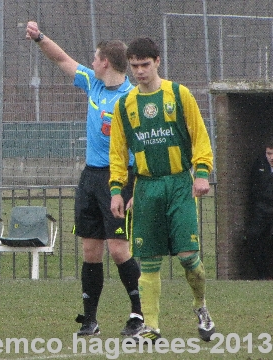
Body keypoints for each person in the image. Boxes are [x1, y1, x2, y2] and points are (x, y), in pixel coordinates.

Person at [25, 21, 143, 337]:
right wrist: (39, 38)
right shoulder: (93, 83)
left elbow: (143, 145)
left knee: (119, 249)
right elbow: (62, 59)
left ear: (106, 61)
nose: (90, 62)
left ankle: (138, 316)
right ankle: (89, 320)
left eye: (95, 57)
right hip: (90, 177)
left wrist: (137, 185)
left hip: (119, 178)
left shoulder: (133, 98)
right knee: (91, 251)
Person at [109, 37, 216, 342]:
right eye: (134, 66)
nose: (140, 71)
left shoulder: (179, 95)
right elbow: (117, 152)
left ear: (157, 62)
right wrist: (117, 190)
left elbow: (200, 136)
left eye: (145, 65)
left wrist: (201, 173)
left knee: (188, 258)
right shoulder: (125, 105)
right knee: (149, 260)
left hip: (179, 184)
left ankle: (201, 307)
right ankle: (152, 327)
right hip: (146, 187)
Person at [245, 141, 273, 280]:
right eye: (269, 153)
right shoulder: (260, 164)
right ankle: (262, 274)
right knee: (253, 237)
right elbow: (253, 187)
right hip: (262, 210)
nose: (272, 157)